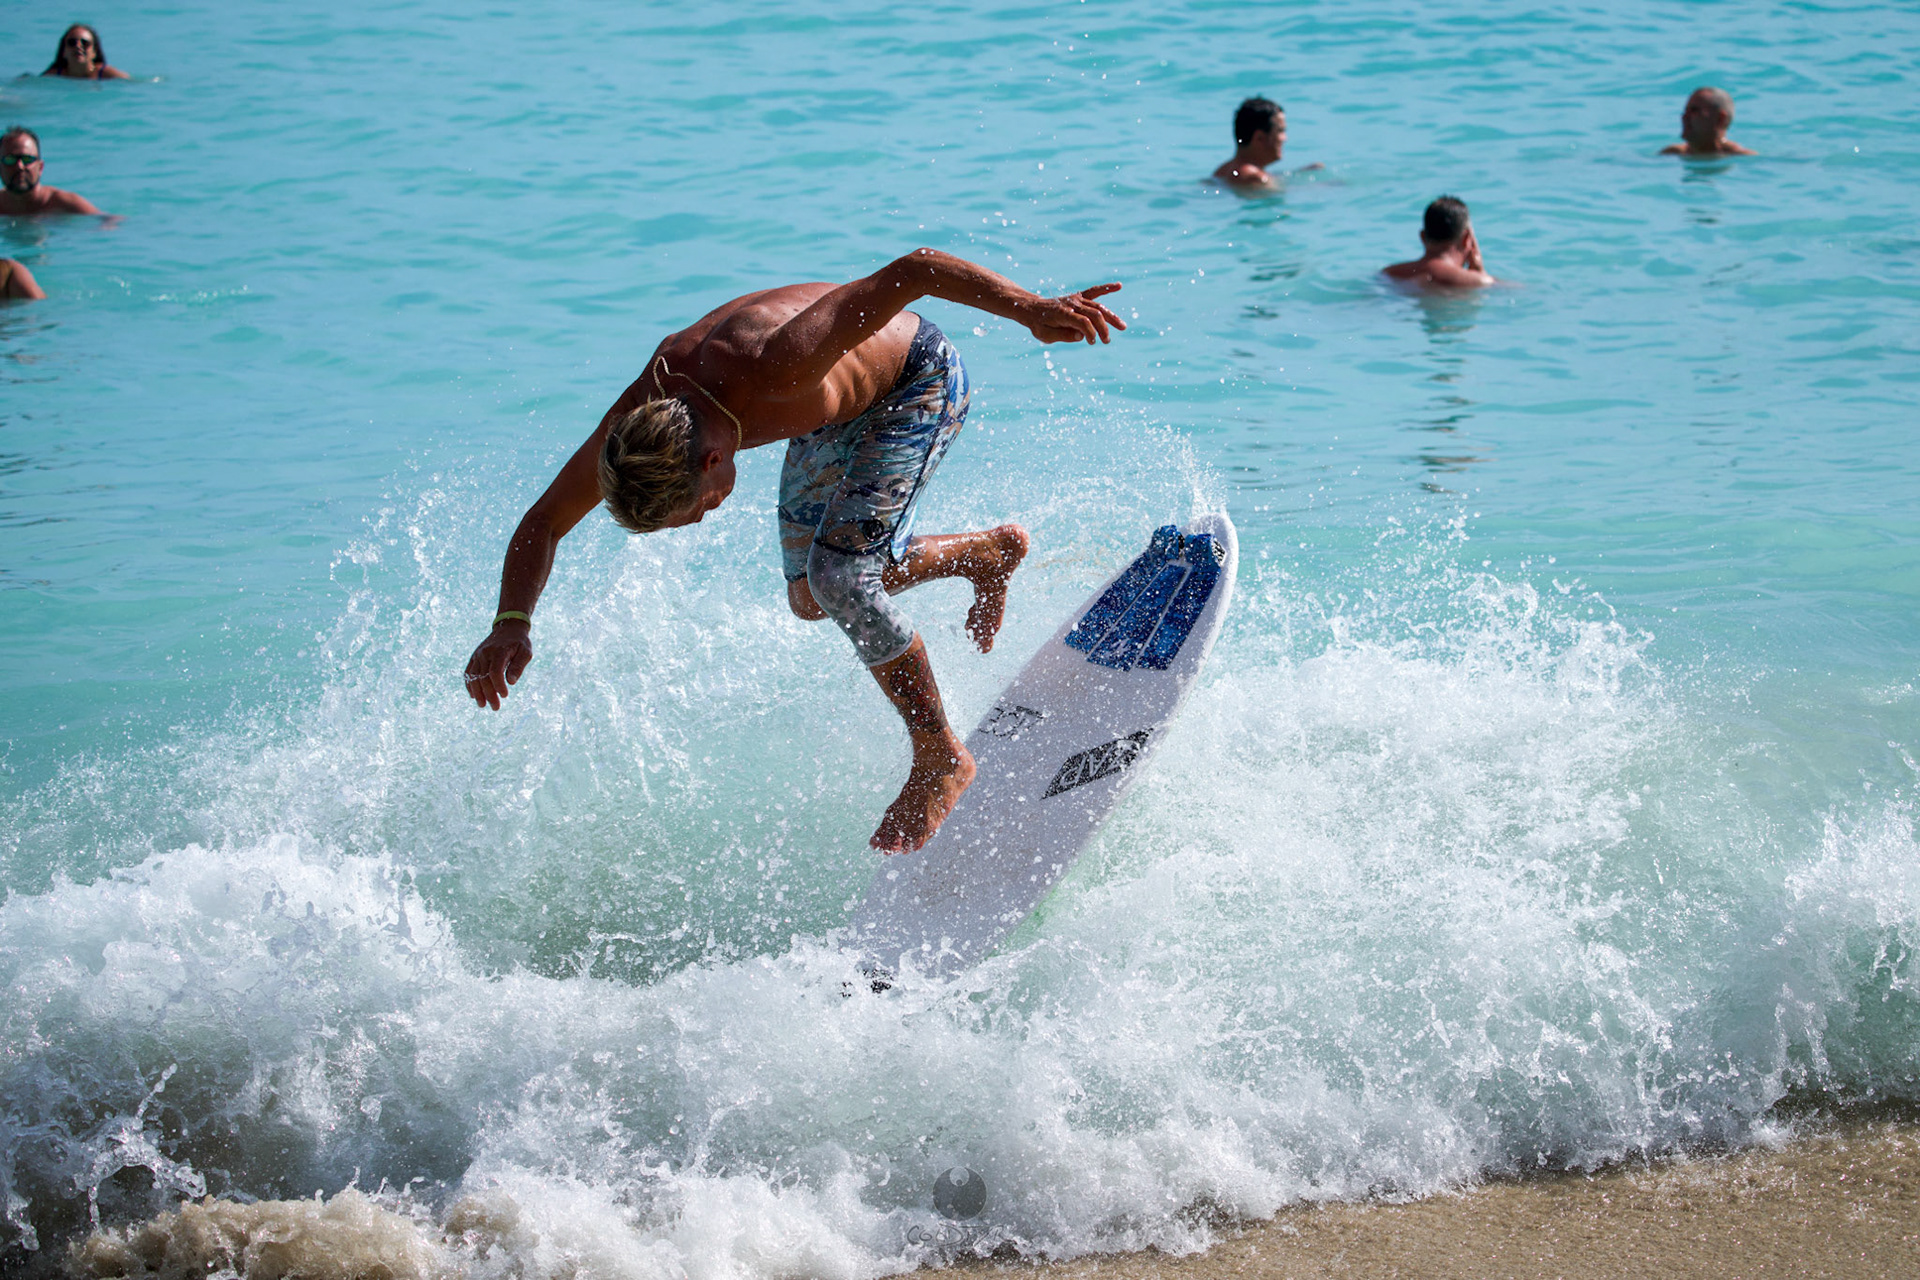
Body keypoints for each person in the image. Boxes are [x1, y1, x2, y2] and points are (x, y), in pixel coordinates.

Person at [462, 248, 1125, 853]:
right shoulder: (640, 420)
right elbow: (543, 522)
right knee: (814, 596)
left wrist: (1032, 310)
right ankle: (982, 554)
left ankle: (940, 757)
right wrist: (510, 624)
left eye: (692, 508)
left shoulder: (775, 361)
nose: (697, 522)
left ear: (714, 458)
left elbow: (914, 270)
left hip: (916, 385)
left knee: (840, 578)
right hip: (834, 414)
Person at [1383, 196, 1495, 289]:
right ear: (1467, 239)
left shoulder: (1389, 274)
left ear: (1422, 237)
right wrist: (1479, 273)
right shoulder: (1480, 282)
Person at [1211, 96, 1320, 189]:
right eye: (1280, 131)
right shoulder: (1254, 179)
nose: (1284, 138)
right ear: (1259, 138)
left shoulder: (1223, 170)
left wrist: (1301, 173)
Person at [0, 128, 107, 216]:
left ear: (40, 167)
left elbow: (109, 221)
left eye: (27, 159)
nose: (20, 166)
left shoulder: (63, 204)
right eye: (10, 160)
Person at [1660, 87, 1754, 157]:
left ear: (1720, 119)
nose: (1684, 117)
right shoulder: (1671, 154)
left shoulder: (1742, 158)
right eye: (1685, 111)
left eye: (1694, 111)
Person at [43, 25, 130, 80]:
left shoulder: (105, 74)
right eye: (72, 42)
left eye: (85, 43)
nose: (78, 46)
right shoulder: (54, 76)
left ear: (94, 53)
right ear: (64, 52)